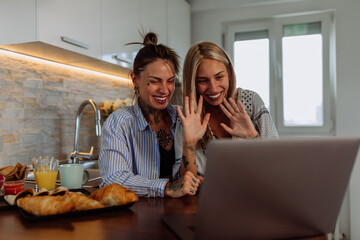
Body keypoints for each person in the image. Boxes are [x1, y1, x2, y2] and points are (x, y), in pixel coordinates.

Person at [99, 32, 201, 198]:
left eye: (170, 81)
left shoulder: (182, 119)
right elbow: (112, 180)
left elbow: (188, 180)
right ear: (135, 80)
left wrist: (190, 142)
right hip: (137, 218)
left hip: (179, 216)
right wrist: (166, 187)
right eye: (154, 81)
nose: (164, 89)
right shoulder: (119, 123)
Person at [177, 41, 279, 177]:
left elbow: (277, 165)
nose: (213, 88)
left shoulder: (251, 102)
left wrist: (252, 138)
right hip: (207, 196)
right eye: (203, 81)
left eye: (219, 77)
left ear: (229, 73)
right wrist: (189, 143)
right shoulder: (187, 117)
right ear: (193, 83)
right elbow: (185, 181)